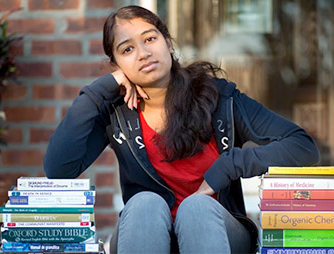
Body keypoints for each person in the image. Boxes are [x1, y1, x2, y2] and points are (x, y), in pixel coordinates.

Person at [43, 5, 319, 253]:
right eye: (127, 49)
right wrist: (97, 92)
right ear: (117, 66)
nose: (143, 53)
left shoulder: (219, 99)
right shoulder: (116, 112)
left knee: (195, 208)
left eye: (150, 39)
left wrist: (230, 165)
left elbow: (302, 146)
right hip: (145, 233)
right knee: (144, 204)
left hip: (218, 232)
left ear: (168, 43)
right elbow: (58, 170)